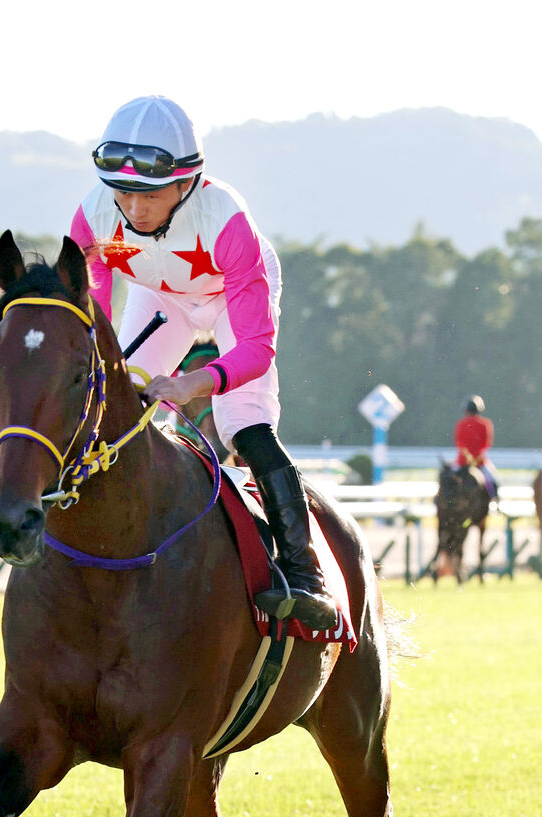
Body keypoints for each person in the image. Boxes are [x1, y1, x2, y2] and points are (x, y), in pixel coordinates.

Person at [70, 95, 336, 629]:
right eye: (123, 192)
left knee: (245, 424)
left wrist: (197, 382)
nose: (135, 209)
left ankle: (305, 574)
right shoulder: (93, 214)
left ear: (187, 182)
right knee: (113, 403)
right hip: (159, 296)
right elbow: (91, 313)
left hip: (231, 295)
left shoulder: (226, 219)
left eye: (150, 194)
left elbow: (256, 350)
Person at [453, 395, 497, 498]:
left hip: (462, 462)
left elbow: (459, 443)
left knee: (448, 479)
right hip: (479, 462)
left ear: (466, 410)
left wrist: (468, 457)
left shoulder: (461, 424)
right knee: (492, 481)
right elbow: (486, 444)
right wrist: (475, 459)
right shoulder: (485, 423)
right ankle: (494, 502)